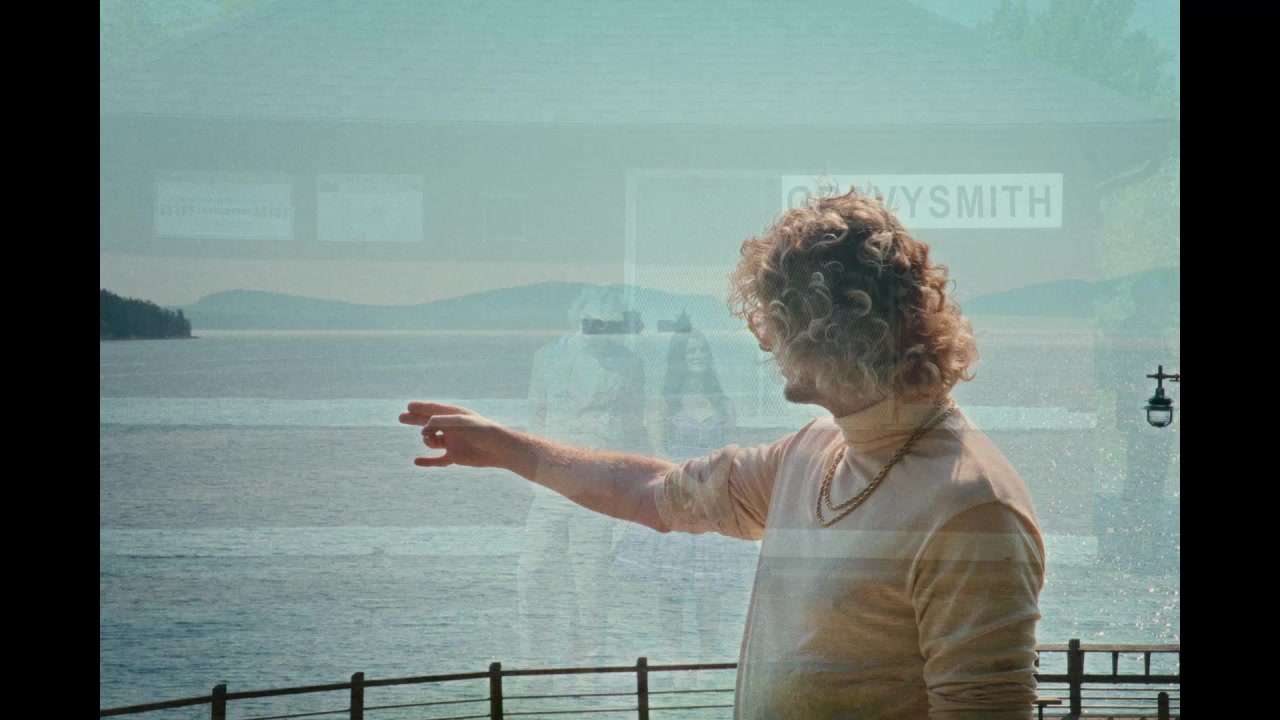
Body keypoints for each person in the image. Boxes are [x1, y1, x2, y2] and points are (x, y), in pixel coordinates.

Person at [401, 188, 1046, 719]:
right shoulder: (813, 453)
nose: (764, 344)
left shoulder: (969, 507)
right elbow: (651, 494)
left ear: (831, 330)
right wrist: (505, 447)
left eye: (774, 322)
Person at [613, 329, 758, 664]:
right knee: (671, 583)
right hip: (675, 492)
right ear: (679, 358)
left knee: (711, 586)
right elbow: (658, 450)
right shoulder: (665, 403)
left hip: (713, 497)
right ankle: (673, 657)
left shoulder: (722, 404)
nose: (697, 356)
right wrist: (686, 485)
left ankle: (708, 657)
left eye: (702, 350)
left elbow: (731, 452)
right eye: (690, 351)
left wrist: (713, 487)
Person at [520, 285, 648, 664]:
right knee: (534, 573)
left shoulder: (629, 365)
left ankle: (589, 665)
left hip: (599, 485)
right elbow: (535, 420)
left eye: (606, 325)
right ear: (578, 317)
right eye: (592, 322)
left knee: (590, 583)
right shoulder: (546, 358)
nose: (597, 331)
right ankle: (534, 660)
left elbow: (634, 428)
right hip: (550, 484)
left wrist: (630, 488)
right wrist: (532, 476)